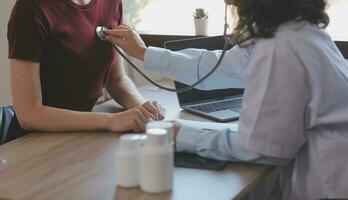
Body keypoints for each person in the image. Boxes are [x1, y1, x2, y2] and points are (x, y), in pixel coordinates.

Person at [104, 0, 348, 199]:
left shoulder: (280, 46)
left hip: (328, 184)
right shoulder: (299, 30)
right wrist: (145, 53)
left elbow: (262, 148)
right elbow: (217, 67)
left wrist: (182, 134)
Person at [7, 0, 165, 139]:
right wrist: (109, 121)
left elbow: (116, 80)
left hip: (85, 133)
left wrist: (141, 109)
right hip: (36, 141)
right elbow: (29, 115)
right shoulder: (30, 10)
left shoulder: (111, 3)